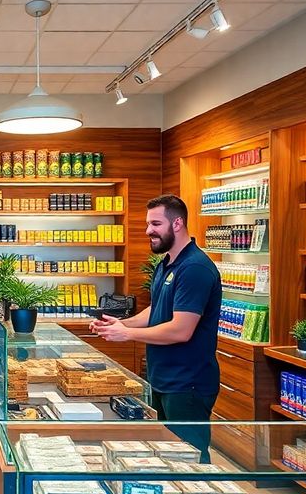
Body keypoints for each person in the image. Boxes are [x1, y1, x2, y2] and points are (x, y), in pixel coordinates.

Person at [90, 194, 222, 462]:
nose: (148, 230)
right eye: (148, 223)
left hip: (188, 384)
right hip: (164, 379)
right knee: (168, 456)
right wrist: (120, 323)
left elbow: (180, 329)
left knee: (191, 460)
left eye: (156, 224)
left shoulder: (195, 268)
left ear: (178, 223)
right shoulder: (167, 264)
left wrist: (126, 334)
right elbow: (157, 310)